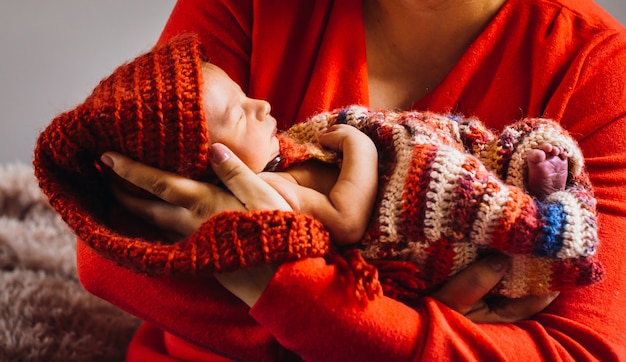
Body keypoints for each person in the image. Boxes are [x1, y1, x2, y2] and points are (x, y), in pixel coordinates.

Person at [46, 0, 626, 360]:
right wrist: (384, 327)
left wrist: (294, 297)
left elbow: (585, 351)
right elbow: (110, 251)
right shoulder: (249, 4)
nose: (259, 106)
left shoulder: (597, 68)